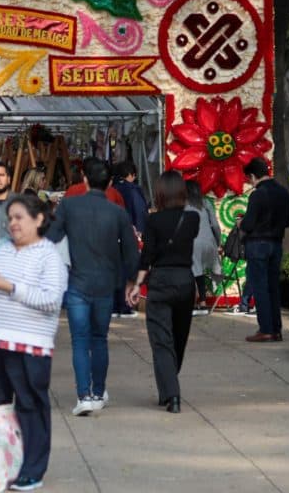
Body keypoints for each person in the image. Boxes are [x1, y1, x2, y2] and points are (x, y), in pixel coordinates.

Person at [0, 195, 67, 492]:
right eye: (10, 218)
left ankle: (31, 469)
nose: (13, 223)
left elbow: (50, 300)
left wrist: (10, 287)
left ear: (39, 220)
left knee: (29, 406)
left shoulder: (49, 256)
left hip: (28, 346)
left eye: (19, 217)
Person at [47, 158, 138, 416]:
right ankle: (98, 391)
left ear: (84, 178)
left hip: (78, 282)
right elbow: (131, 251)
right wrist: (132, 282)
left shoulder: (70, 205)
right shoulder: (117, 212)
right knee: (100, 339)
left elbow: (52, 237)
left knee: (79, 340)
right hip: (106, 284)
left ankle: (84, 395)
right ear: (110, 182)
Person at [127, 170, 198, 413]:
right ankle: (168, 386)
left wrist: (137, 285)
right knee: (179, 339)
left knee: (161, 341)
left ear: (159, 193)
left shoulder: (153, 221)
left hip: (160, 282)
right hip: (186, 282)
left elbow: (146, 257)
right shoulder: (192, 220)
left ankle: (172, 393)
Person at [239, 157, 289, 343]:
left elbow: (248, 224)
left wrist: (241, 223)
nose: (249, 183)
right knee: (273, 287)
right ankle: (276, 329)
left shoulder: (258, 195)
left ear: (253, 176)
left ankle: (266, 329)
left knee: (260, 287)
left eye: (249, 179)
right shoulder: (284, 193)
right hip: (276, 244)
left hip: (257, 245)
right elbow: (288, 221)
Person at [111, 160, 148, 317]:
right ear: (130, 175)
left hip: (113, 234)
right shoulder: (134, 190)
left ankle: (115, 304)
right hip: (130, 234)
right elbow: (140, 213)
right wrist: (141, 232)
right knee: (129, 271)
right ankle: (126, 304)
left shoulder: (112, 189)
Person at [186, 180, 221, 314]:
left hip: (191, 244)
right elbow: (216, 226)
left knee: (192, 268)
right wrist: (218, 243)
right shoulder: (205, 203)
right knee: (198, 268)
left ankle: (195, 301)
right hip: (209, 245)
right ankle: (203, 301)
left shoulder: (182, 205)